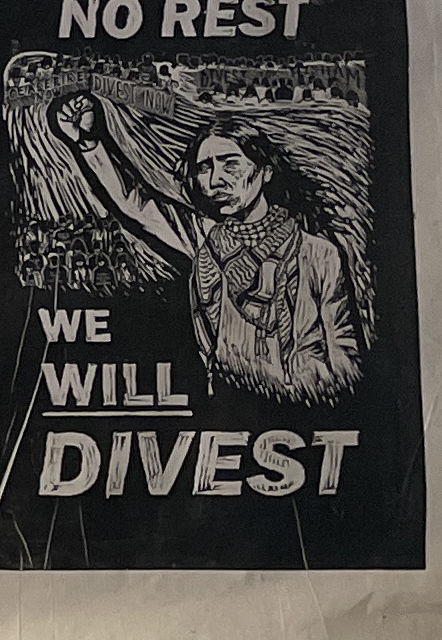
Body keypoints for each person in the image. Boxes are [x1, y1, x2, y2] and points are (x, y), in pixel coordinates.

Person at [49, 93, 361, 407]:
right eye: (204, 168)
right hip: (230, 406)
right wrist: (89, 143)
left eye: (230, 164)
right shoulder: (206, 240)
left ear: (265, 171)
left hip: (309, 407)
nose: (215, 180)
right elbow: (136, 205)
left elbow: (343, 352)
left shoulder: (319, 253)